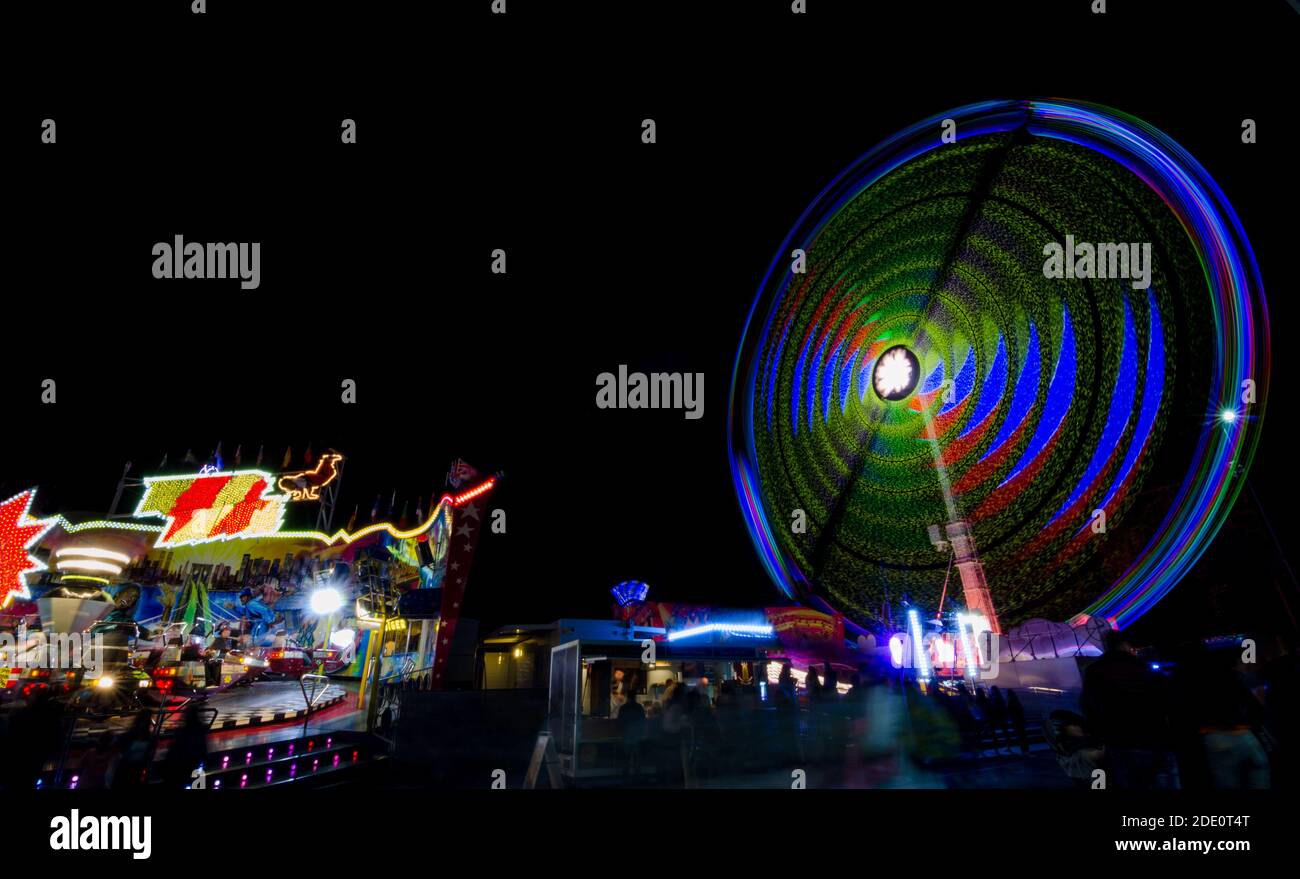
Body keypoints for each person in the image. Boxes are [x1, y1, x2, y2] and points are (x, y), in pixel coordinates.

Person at [1082, 630, 1179, 789]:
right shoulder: (1144, 669)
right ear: (1126, 644)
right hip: (1151, 737)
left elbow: (1089, 705)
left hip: (1116, 739)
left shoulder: (1095, 671)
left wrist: (1098, 735)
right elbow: (1167, 700)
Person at [1005, 689, 1029, 754]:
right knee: (1022, 736)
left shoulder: (1011, 702)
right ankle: (1025, 749)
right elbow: (1021, 710)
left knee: (1021, 736)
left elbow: (1009, 711)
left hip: (1016, 721)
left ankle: (1024, 750)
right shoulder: (1016, 701)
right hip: (1019, 720)